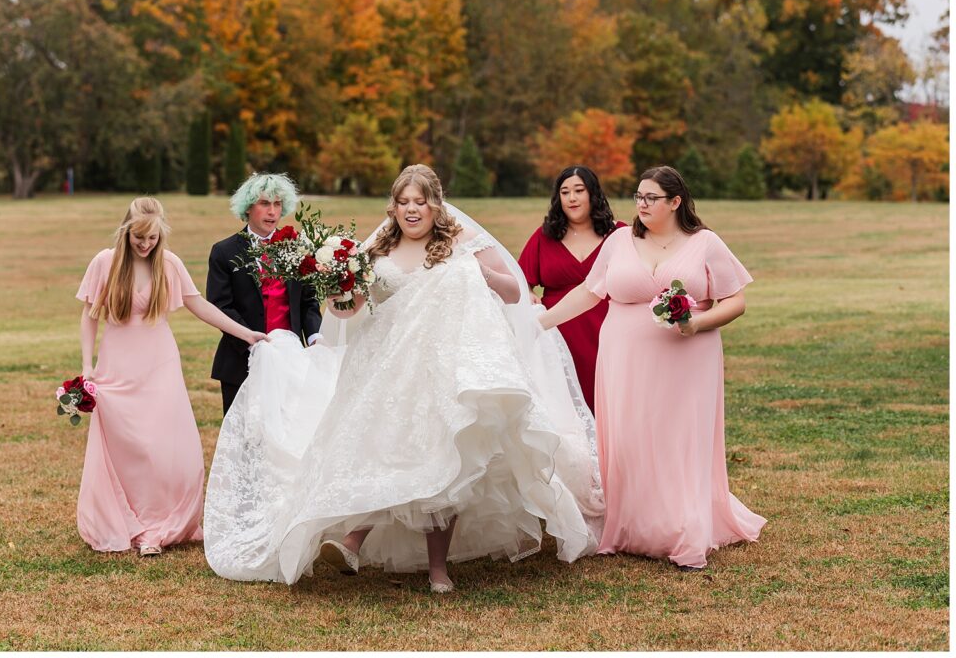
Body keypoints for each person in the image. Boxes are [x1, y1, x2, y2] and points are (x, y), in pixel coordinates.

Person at [204, 164, 604, 592]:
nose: (412, 210)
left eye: (420, 202)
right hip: (387, 369)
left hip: (444, 368)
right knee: (381, 452)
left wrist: (475, 272)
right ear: (392, 207)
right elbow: (350, 310)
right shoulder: (376, 248)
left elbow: (513, 293)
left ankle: (437, 569)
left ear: (436, 203)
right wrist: (339, 291)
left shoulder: (461, 242)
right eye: (403, 202)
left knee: (445, 459)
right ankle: (353, 540)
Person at [539, 166, 766, 569]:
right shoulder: (619, 241)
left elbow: (735, 300)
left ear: (675, 202)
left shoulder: (705, 243)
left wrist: (696, 323)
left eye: (651, 198)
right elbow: (589, 293)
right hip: (624, 356)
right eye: (638, 197)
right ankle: (629, 527)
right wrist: (539, 323)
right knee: (630, 437)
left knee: (678, 438)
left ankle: (683, 527)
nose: (641, 205)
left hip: (688, 358)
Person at [76, 197, 268, 556]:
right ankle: (135, 523)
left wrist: (245, 333)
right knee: (129, 446)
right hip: (117, 363)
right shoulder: (105, 262)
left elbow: (200, 305)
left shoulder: (169, 263)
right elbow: (89, 315)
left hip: (160, 361)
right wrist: (88, 366)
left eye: (152, 238)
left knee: (168, 446)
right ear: (126, 232)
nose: (146, 245)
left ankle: (164, 524)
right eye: (139, 239)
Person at [206, 173, 323, 415]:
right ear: (248, 207)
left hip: (289, 358)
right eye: (265, 203)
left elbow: (309, 301)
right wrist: (250, 340)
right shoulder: (224, 252)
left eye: (277, 204)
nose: (272, 211)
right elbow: (220, 306)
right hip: (241, 361)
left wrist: (314, 338)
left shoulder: (298, 247)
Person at [518, 166, 627, 413]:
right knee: (565, 404)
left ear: (593, 194)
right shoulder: (545, 236)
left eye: (579, 190)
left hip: (607, 330)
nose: (572, 198)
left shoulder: (619, 233)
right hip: (558, 332)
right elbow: (520, 279)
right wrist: (529, 293)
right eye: (565, 192)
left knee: (610, 400)